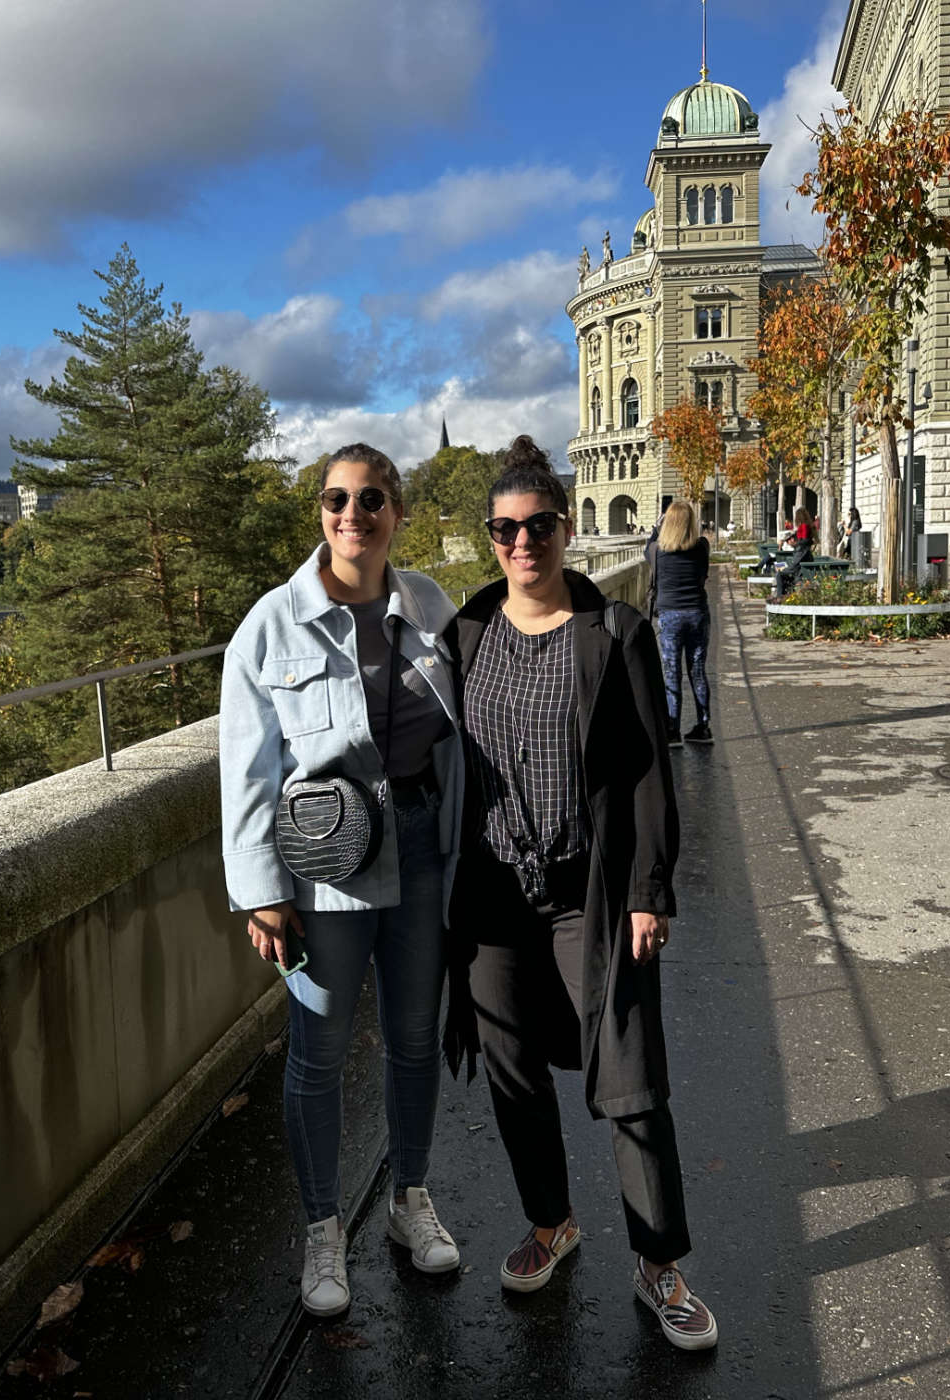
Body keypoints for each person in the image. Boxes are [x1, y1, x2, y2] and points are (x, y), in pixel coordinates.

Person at [443, 435, 718, 1352]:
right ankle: (552, 1221)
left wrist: (651, 889)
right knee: (513, 1072)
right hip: (491, 896)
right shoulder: (467, 632)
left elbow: (647, 767)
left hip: (588, 891)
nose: (523, 543)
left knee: (632, 1077)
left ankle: (659, 1263)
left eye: (538, 526)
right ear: (491, 540)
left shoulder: (616, 632)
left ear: (564, 528)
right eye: (505, 529)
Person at [219, 443, 465, 1318]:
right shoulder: (271, 625)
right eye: (336, 500)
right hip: (320, 869)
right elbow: (245, 769)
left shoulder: (429, 604)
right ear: (320, 512)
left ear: (396, 511)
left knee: (412, 1036)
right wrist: (259, 893)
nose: (351, 515)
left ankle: (409, 1199)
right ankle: (323, 1228)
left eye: (370, 500)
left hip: (423, 846)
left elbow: (465, 731)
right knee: (317, 1051)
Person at [652, 501, 713, 746]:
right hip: (697, 613)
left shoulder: (657, 551)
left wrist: (657, 528)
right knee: (697, 671)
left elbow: (651, 541)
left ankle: (672, 729)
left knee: (671, 674)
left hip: (671, 616)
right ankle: (703, 726)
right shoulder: (702, 548)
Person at [776, 506, 815, 596]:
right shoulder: (806, 527)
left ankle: (780, 597)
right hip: (800, 568)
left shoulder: (804, 528)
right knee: (781, 572)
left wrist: (784, 569)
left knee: (779, 574)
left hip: (799, 571)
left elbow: (795, 564)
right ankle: (782, 596)